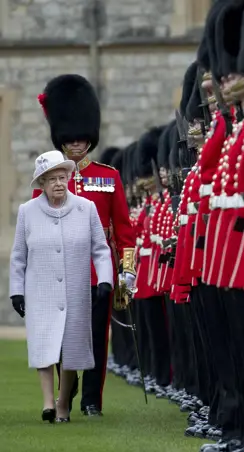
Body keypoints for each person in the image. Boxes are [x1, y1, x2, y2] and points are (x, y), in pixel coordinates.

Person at [35, 74, 136, 417]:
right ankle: (68, 385)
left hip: (97, 273)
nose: (77, 145)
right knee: (62, 338)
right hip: (60, 272)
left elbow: (123, 229)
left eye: (82, 139)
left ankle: (92, 399)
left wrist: (127, 271)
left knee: (96, 338)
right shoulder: (49, 178)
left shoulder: (109, 177)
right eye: (70, 139)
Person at [9, 150, 114, 424]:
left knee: (71, 350)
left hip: (76, 291)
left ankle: (63, 402)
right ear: (41, 183)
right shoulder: (27, 212)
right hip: (40, 291)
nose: (58, 183)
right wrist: (16, 291)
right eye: (51, 179)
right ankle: (47, 403)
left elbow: (100, 250)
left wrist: (105, 280)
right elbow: (18, 256)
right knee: (44, 347)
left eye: (61, 177)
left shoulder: (86, 208)